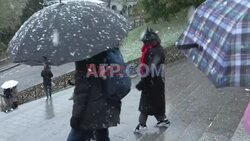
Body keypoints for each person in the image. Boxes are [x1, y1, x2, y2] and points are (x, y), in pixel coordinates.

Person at [67, 50, 122, 141]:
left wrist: (76, 117)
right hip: (105, 106)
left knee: (75, 137)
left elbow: (82, 93)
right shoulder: (104, 54)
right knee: (102, 135)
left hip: (89, 112)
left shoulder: (83, 62)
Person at [134, 28, 170, 133]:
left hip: (152, 82)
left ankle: (142, 125)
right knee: (155, 103)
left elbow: (151, 69)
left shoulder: (153, 51)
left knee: (145, 105)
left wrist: (143, 82)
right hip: (156, 82)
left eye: (144, 41)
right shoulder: (155, 49)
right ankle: (163, 120)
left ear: (148, 41)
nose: (143, 43)